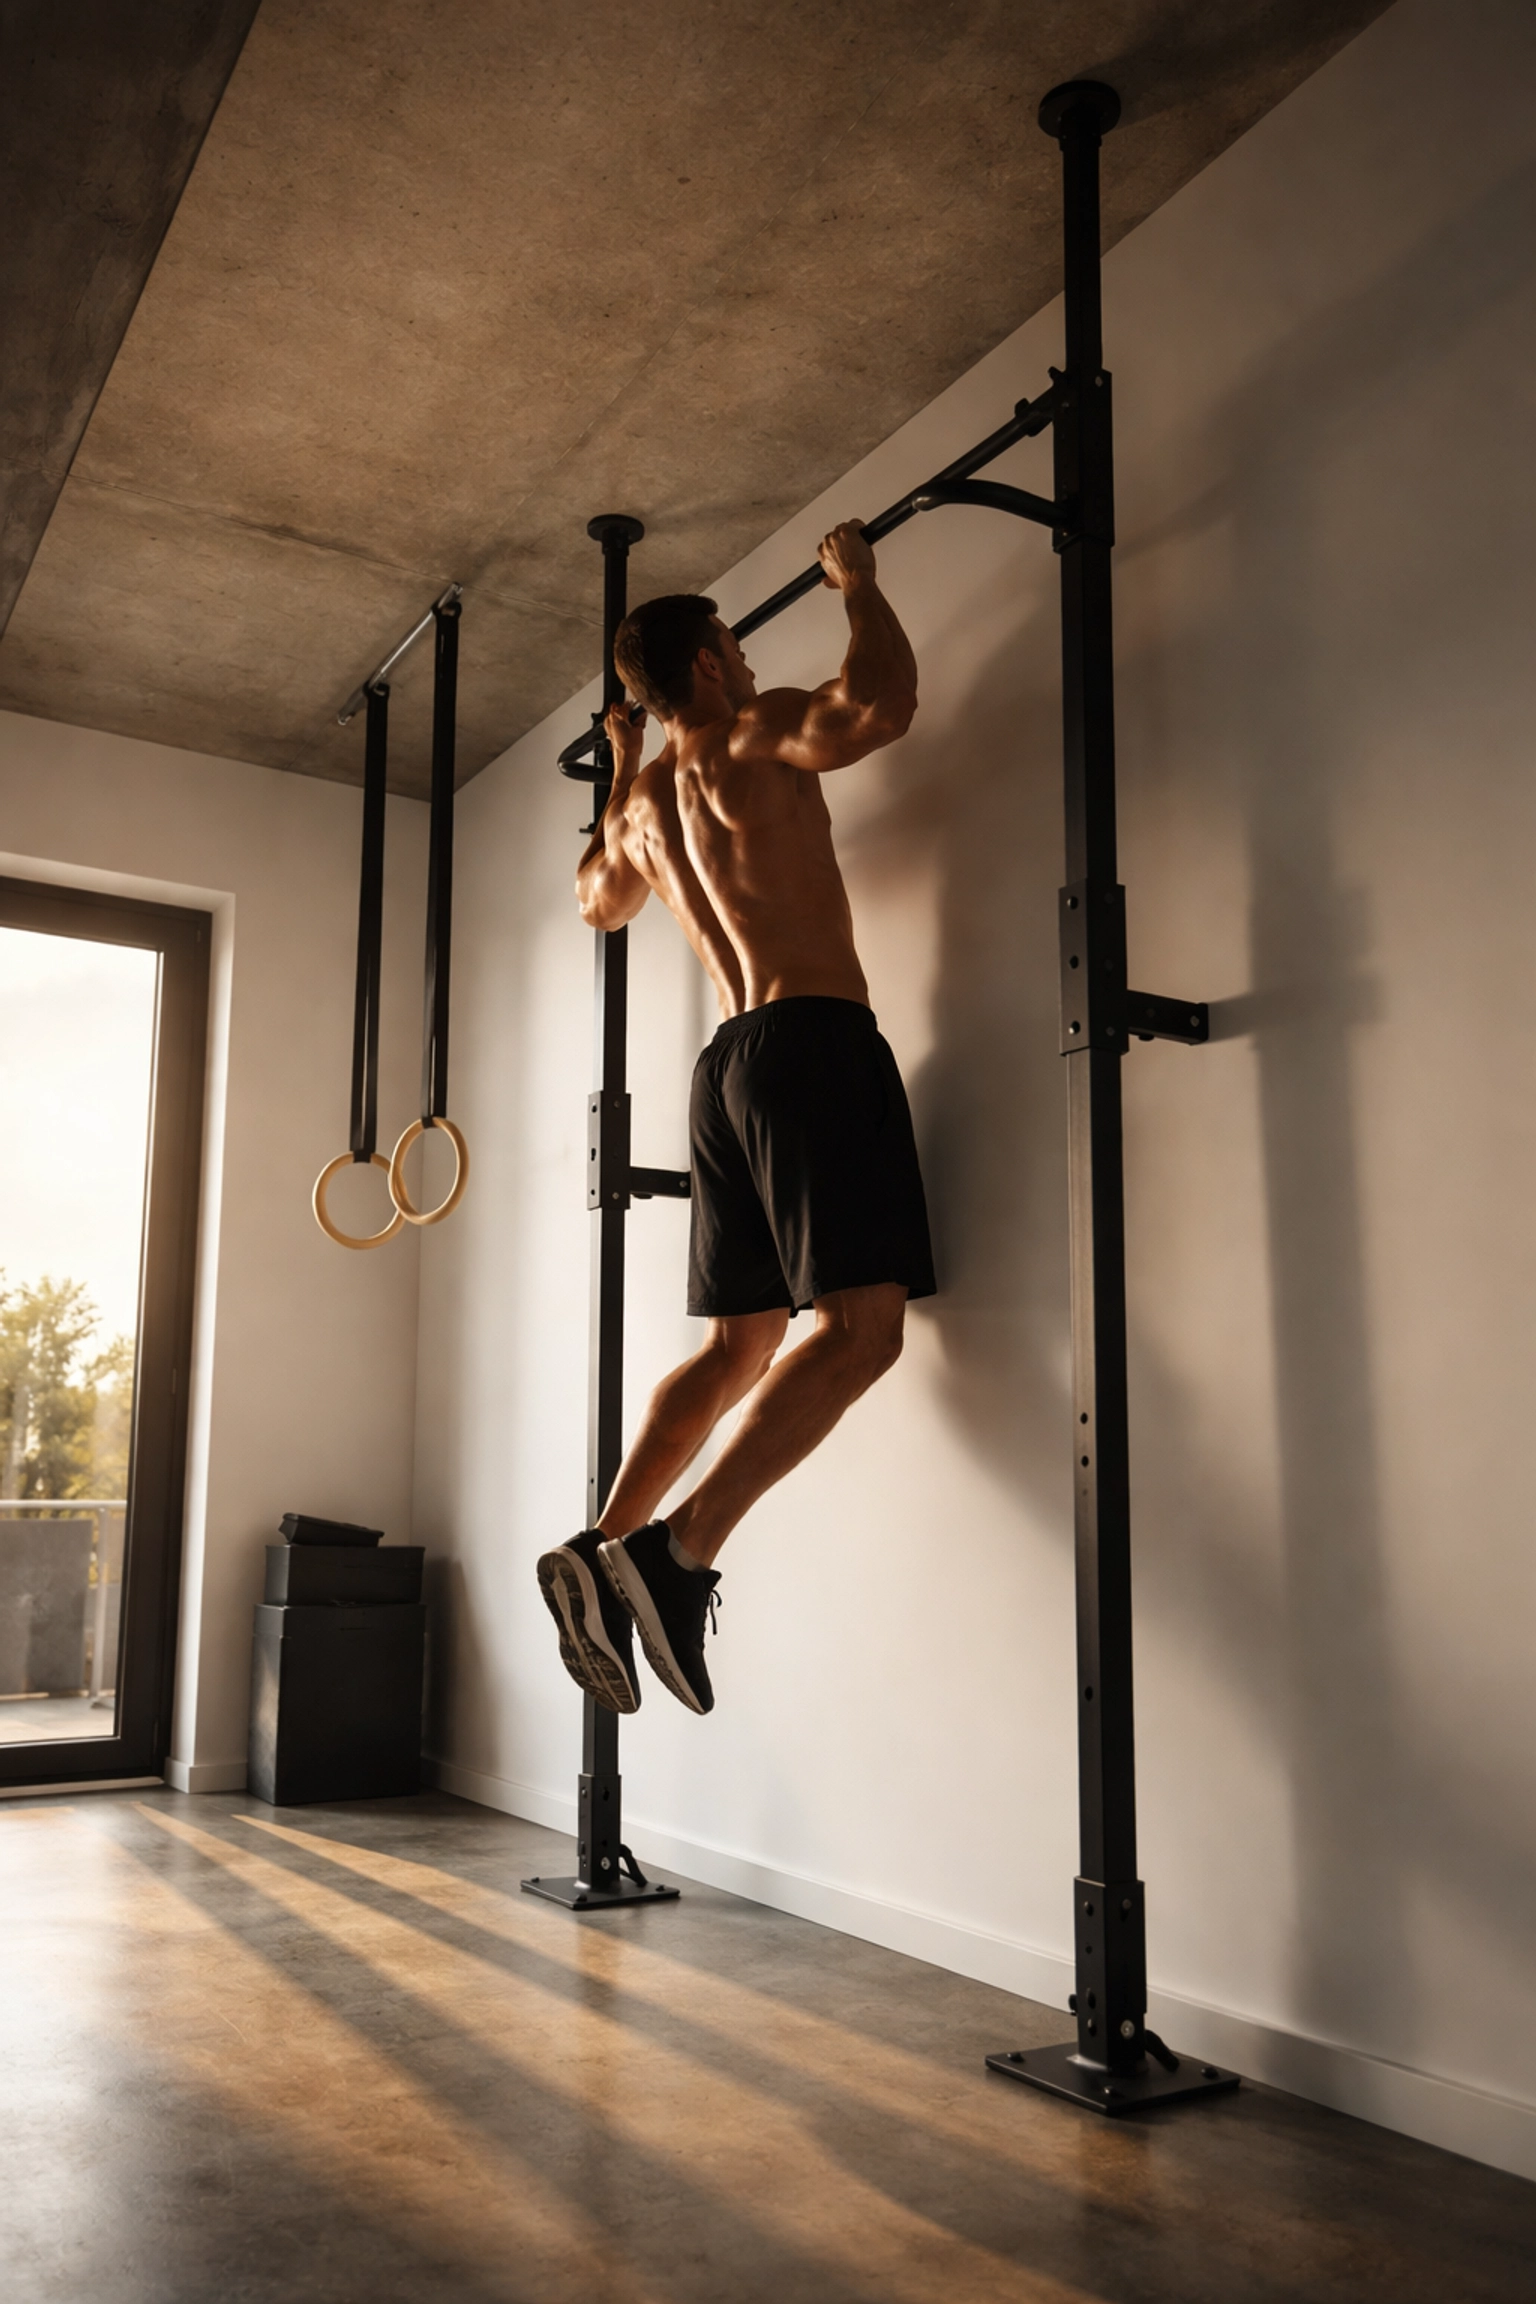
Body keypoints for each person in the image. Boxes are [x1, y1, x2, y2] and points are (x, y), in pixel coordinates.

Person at [537, 522, 934, 1717]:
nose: (750, 667)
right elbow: (881, 705)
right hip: (812, 1041)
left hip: (723, 1067)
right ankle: (678, 1549)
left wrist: (621, 759)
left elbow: (598, 901)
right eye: (735, 649)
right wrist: (858, 585)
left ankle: (605, 1547)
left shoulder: (646, 804)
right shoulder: (750, 735)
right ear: (708, 666)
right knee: (864, 1331)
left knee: (738, 1343)